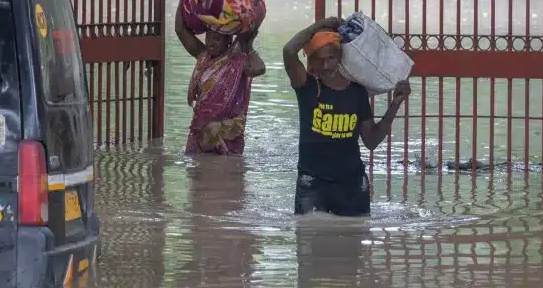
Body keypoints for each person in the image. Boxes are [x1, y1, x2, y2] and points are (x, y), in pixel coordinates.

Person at [282, 16, 410, 216]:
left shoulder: (357, 93)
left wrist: (394, 104)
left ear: (340, 57)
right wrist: (318, 26)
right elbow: (289, 51)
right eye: (319, 60)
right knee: (310, 233)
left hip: (351, 183)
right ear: (311, 62)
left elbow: (371, 141)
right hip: (313, 183)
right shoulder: (306, 86)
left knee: (352, 242)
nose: (325, 66)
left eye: (330, 58)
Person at [175, 11, 265, 155]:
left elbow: (259, 69)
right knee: (197, 173)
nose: (211, 42)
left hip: (228, 135)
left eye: (217, 39)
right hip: (201, 133)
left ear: (228, 40)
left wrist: (249, 47)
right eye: (208, 37)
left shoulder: (237, 61)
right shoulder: (203, 55)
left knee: (227, 173)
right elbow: (180, 30)